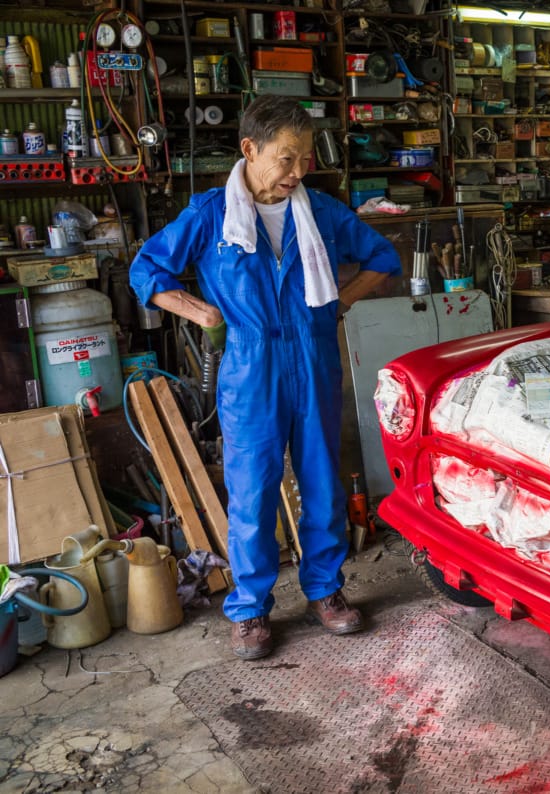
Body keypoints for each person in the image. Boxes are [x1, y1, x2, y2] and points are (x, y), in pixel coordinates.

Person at [130, 95, 402, 660]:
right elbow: (145, 269)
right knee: (252, 490)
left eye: (305, 159)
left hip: (314, 359)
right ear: (249, 149)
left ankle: (325, 591)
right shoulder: (211, 215)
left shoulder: (321, 212)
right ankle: (251, 609)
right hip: (250, 370)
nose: (298, 172)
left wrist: (338, 305)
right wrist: (200, 311)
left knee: (323, 480)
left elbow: (381, 256)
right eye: (286, 158)